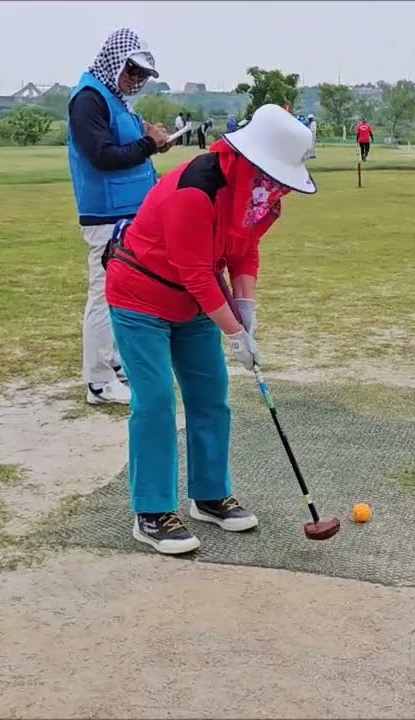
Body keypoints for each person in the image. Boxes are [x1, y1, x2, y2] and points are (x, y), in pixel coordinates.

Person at [103, 104, 317, 554]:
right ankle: (152, 512)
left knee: (211, 397)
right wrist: (234, 331)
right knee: (156, 401)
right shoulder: (195, 189)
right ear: (250, 159)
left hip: (195, 302)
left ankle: (210, 495)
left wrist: (246, 308)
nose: (278, 188)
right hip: (139, 296)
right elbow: (196, 272)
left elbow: (243, 252)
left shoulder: (260, 199)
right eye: (274, 177)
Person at [67, 27, 170, 407]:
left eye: (142, 74)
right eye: (132, 70)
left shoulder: (114, 99)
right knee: (103, 293)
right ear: (115, 61)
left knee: (121, 292)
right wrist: (148, 145)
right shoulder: (89, 98)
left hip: (127, 212)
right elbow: (102, 155)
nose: (135, 79)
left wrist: (152, 144)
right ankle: (97, 381)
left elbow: (127, 147)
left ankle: (112, 364)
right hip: (106, 215)